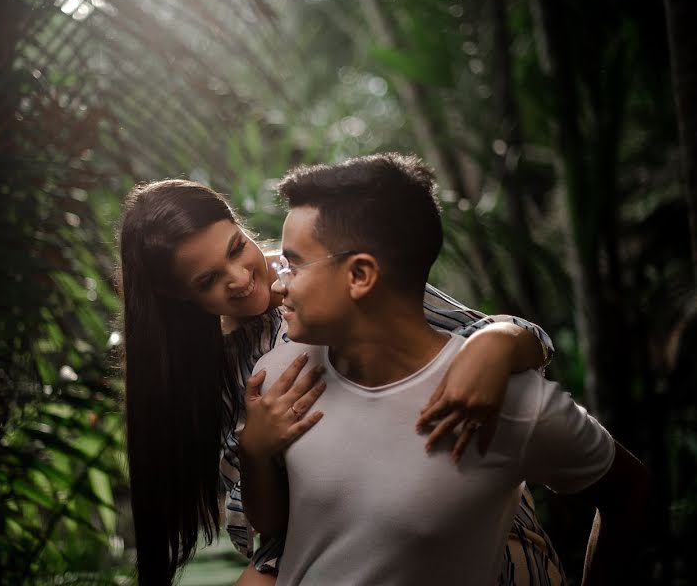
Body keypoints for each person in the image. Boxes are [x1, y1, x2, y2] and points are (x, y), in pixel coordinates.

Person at [118, 179, 560, 585]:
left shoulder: (327, 272)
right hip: (340, 542)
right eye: (208, 280)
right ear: (179, 296)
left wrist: (498, 342)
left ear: (238, 223)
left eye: (237, 248)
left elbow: (520, 343)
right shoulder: (216, 371)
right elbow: (272, 529)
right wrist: (257, 449)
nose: (238, 278)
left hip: (456, 513)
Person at [239, 153, 650, 585]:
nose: (278, 283)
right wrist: (254, 452)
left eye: (294, 264)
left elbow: (630, 492)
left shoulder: (503, 399)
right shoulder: (281, 376)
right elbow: (274, 525)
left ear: (360, 274)